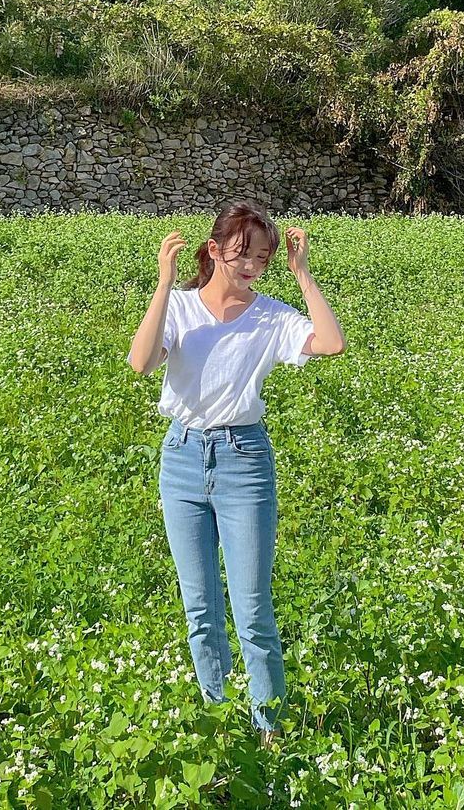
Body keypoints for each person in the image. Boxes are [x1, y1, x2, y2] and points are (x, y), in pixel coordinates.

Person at [127, 199, 346, 747]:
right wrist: (163, 284)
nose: (251, 266)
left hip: (244, 460)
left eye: (263, 258)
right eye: (242, 254)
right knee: (200, 609)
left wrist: (302, 275)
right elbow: (141, 362)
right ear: (214, 250)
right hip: (181, 458)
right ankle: (219, 726)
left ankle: (269, 732)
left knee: (252, 610)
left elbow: (332, 343)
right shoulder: (180, 307)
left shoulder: (271, 316)